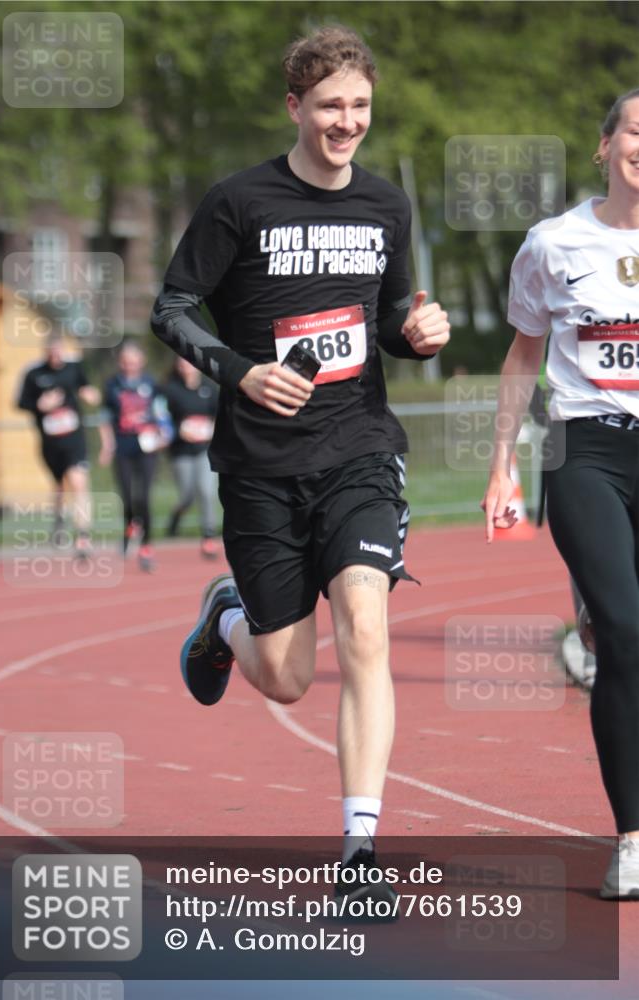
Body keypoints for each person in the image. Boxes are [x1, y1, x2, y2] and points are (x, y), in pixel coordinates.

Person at [151, 24, 450, 904]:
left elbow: (389, 317)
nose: (346, 121)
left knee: (365, 623)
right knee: (286, 679)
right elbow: (172, 307)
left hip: (358, 448)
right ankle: (225, 619)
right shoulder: (239, 202)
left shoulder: (386, 205)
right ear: (295, 106)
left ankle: (358, 850)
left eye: (359, 105)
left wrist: (419, 334)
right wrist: (241, 372)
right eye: (328, 106)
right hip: (260, 465)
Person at [482, 88, 639, 899]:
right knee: (623, 629)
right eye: (636, 131)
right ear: (605, 145)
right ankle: (633, 839)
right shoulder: (552, 244)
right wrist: (500, 463)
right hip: (584, 449)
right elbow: (521, 356)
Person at [17, 335, 100, 557]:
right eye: (51, 352)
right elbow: (21, 402)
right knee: (60, 487)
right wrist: (40, 405)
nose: (55, 356)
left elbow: (87, 388)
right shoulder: (34, 374)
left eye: (58, 351)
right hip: (51, 442)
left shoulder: (74, 368)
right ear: (45, 351)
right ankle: (59, 520)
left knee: (79, 482)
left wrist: (90, 394)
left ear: (63, 350)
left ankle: (83, 536)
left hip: (75, 439)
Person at [99, 340, 170, 572]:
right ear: (120, 362)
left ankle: (146, 546)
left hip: (147, 446)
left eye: (133, 361)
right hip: (123, 446)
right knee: (127, 496)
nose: (129, 365)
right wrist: (107, 446)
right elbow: (104, 417)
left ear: (141, 361)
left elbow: (161, 412)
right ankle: (130, 526)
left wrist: (164, 434)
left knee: (144, 497)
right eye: (125, 361)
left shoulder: (151, 383)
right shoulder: (112, 385)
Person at [162, 356, 220, 557]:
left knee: (206, 490)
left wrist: (211, 429)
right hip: (181, 451)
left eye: (189, 363)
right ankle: (176, 517)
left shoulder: (209, 388)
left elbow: (219, 415)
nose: (186, 367)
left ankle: (209, 536)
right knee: (187, 496)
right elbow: (161, 417)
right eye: (181, 363)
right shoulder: (171, 390)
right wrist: (178, 430)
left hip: (205, 449)